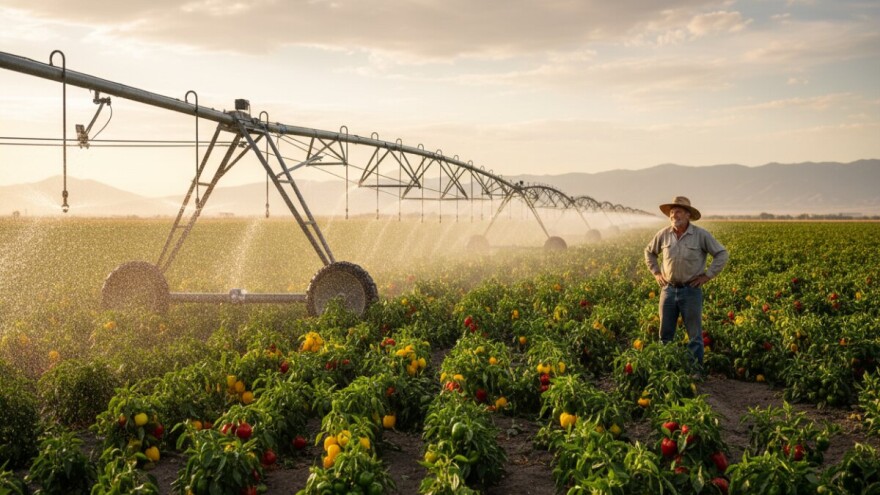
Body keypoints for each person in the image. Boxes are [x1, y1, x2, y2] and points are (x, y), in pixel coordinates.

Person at [644, 196, 729, 372]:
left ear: (688, 215)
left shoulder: (700, 235)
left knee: (695, 336)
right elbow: (649, 252)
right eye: (672, 212)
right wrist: (657, 273)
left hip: (691, 291)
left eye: (679, 211)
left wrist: (707, 276)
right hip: (668, 290)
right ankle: (666, 371)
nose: (675, 215)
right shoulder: (663, 234)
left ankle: (695, 372)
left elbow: (722, 254)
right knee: (665, 335)